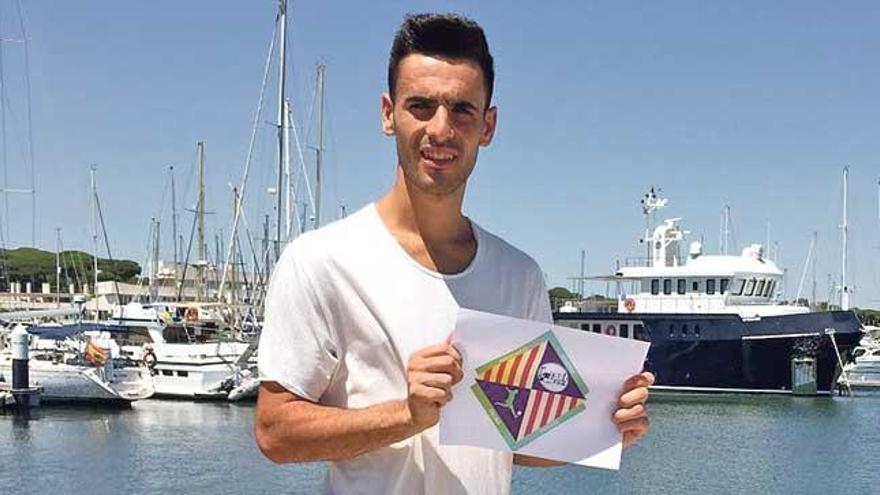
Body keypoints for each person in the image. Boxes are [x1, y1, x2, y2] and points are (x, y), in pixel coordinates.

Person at [255, 13, 653, 494]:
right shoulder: (320, 261)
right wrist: (408, 414)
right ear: (388, 114)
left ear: (488, 125)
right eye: (420, 106)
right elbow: (275, 433)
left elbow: (519, 440)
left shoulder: (519, 275)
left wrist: (607, 426)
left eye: (462, 110)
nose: (440, 129)